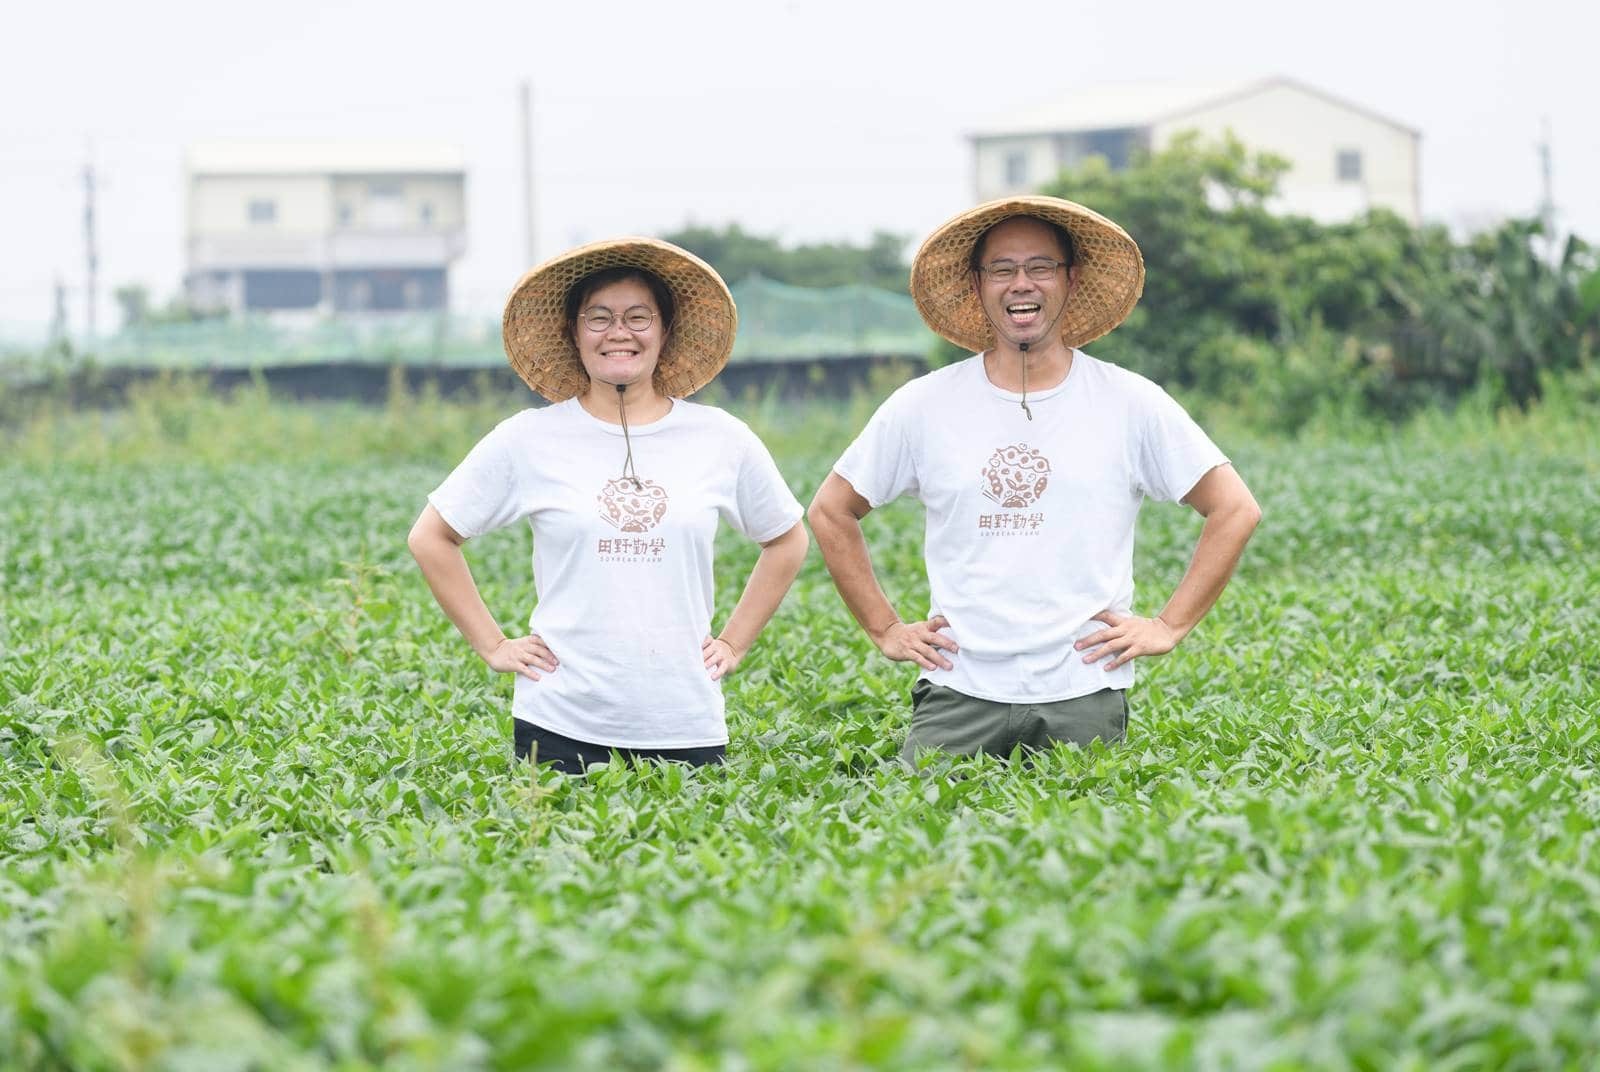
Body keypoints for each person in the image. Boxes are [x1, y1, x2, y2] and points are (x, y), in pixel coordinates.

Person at [808, 196, 1261, 764]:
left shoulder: (1129, 401)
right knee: (920, 825)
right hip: (959, 688)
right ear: (978, 286)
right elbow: (830, 509)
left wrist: (1168, 626)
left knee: (1087, 835)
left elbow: (1235, 509)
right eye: (1002, 269)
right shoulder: (924, 404)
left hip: (1084, 691)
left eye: (1040, 267)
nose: (1021, 284)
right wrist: (885, 628)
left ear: (1069, 280)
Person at [409, 238, 808, 774]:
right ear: (574, 334)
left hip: (684, 717)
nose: (619, 333)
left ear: (665, 332)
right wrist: (493, 644)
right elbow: (431, 537)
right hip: (559, 719)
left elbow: (786, 537)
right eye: (598, 318)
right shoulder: (528, 438)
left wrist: (735, 641)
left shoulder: (720, 437)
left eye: (638, 317)